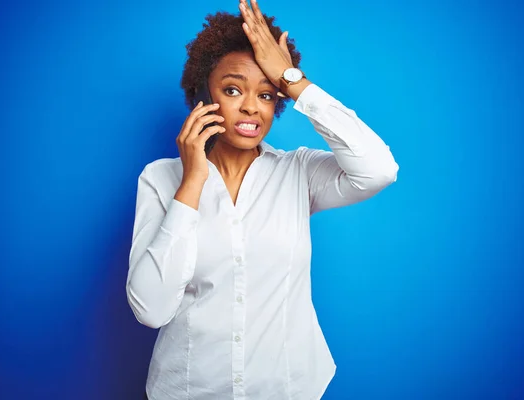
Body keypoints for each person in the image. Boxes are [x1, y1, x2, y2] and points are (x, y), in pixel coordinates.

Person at [127, 0, 399, 398]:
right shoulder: (161, 178)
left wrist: (292, 79)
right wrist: (192, 183)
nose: (252, 106)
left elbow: (379, 169)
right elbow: (150, 309)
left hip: (286, 388)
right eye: (233, 89)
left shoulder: (299, 173)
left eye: (269, 95)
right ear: (203, 95)